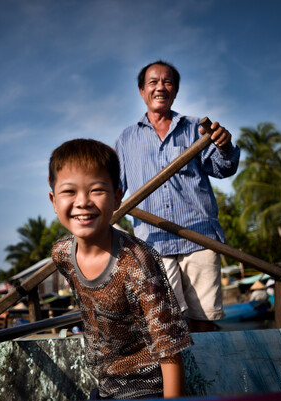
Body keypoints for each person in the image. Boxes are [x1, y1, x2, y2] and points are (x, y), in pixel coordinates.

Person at [49, 138, 193, 399]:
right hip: (105, 387)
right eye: (69, 192)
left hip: (148, 387)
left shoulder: (136, 264)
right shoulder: (61, 255)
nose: (83, 202)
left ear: (117, 198)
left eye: (96, 190)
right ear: (54, 200)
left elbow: (169, 352)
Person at [115, 60, 240, 332]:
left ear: (176, 90)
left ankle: (205, 375)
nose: (160, 87)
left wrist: (224, 145)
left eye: (167, 81)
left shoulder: (197, 129)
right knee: (167, 325)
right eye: (153, 82)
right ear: (141, 91)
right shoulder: (126, 140)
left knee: (204, 321)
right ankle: (176, 376)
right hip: (153, 246)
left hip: (200, 238)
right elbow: (116, 190)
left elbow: (223, 168)